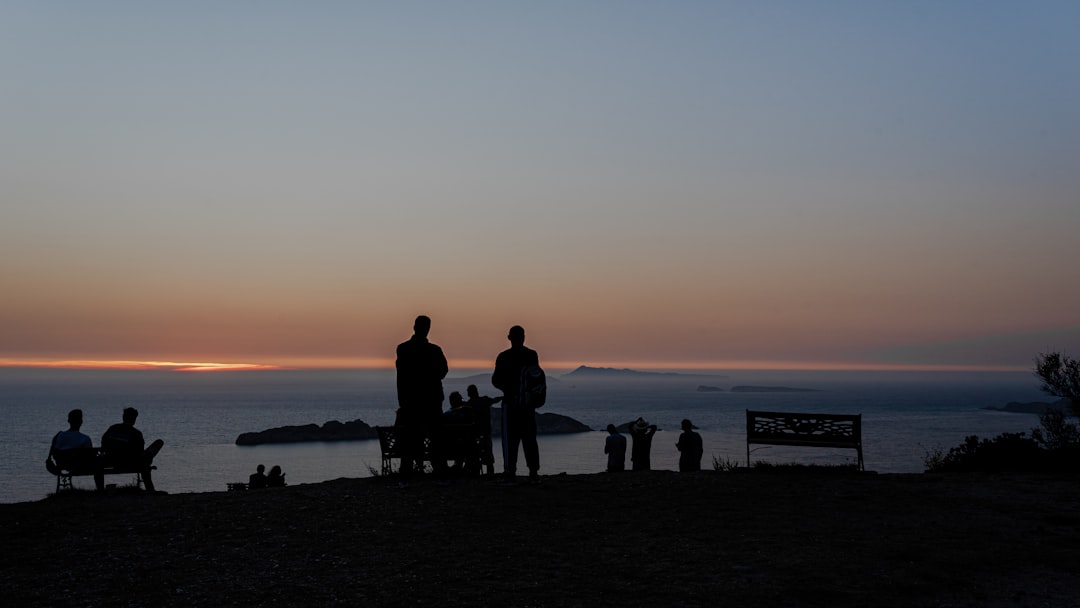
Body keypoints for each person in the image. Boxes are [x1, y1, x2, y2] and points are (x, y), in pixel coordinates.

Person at [395, 315, 449, 484]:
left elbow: (401, 375)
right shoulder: (434, 350)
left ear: (414, 327)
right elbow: (443, 371)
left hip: (411, 402)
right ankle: (439, 473)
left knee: (411, 439)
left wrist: (403, 400)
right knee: (436, 438)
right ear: (427, 329)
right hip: (431, 401)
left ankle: (407, 475)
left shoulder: (403, 349)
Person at [492, 325, 541, 484]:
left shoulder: (503, 357)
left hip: (510, 405)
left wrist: (508, 389)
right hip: (527, 405)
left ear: (509, 338)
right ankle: (533, 472)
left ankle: (510, 472)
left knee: (510, 440)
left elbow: (496, 380)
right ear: (524, 337)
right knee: (529, 438)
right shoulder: (531, 355)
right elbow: (536, 378)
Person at [101, 407, 164, 492]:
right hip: (132, 463)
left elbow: (103, 444)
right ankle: (150, 490)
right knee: (158, 443)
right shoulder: (136, 433)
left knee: (144, 458)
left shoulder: (112, 428)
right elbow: (140, 452)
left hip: (113, 461)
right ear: (134, 419)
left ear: (123, 417)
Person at [47, 409, 103, 490]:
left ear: (68, 421)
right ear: (81, 422)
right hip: (80, 466)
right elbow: (89, 456)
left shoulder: (60, 436)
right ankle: (100, 489)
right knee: (99, 462)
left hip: (62, 465)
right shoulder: (85, 438)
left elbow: (54, 453)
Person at [465, 385, 502, 477]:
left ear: (469, 394)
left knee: (475, 455)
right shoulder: (485, 400)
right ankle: (490, 474)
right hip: (486, 433)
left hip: (474, 435)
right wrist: (503, 397)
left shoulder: (468, 405)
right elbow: (495, 400)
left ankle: (476, 474)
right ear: (476, 391)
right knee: (488, 455)